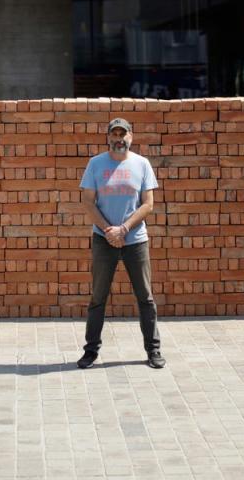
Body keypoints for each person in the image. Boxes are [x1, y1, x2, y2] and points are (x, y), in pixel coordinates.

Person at [78, 117, 165, 369]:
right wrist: (108, 230)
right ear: (108, 138)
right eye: (114, 135)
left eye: (123, 134)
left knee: (145, 297)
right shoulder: (95, 164)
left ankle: (153, 350)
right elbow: (87, 201)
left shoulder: (142, 164)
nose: (119, 139)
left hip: (135, 240)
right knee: (98, 296)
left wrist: (124, 228)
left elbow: (148, 204)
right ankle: (90, 351)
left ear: (131, 136)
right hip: (104, 239)